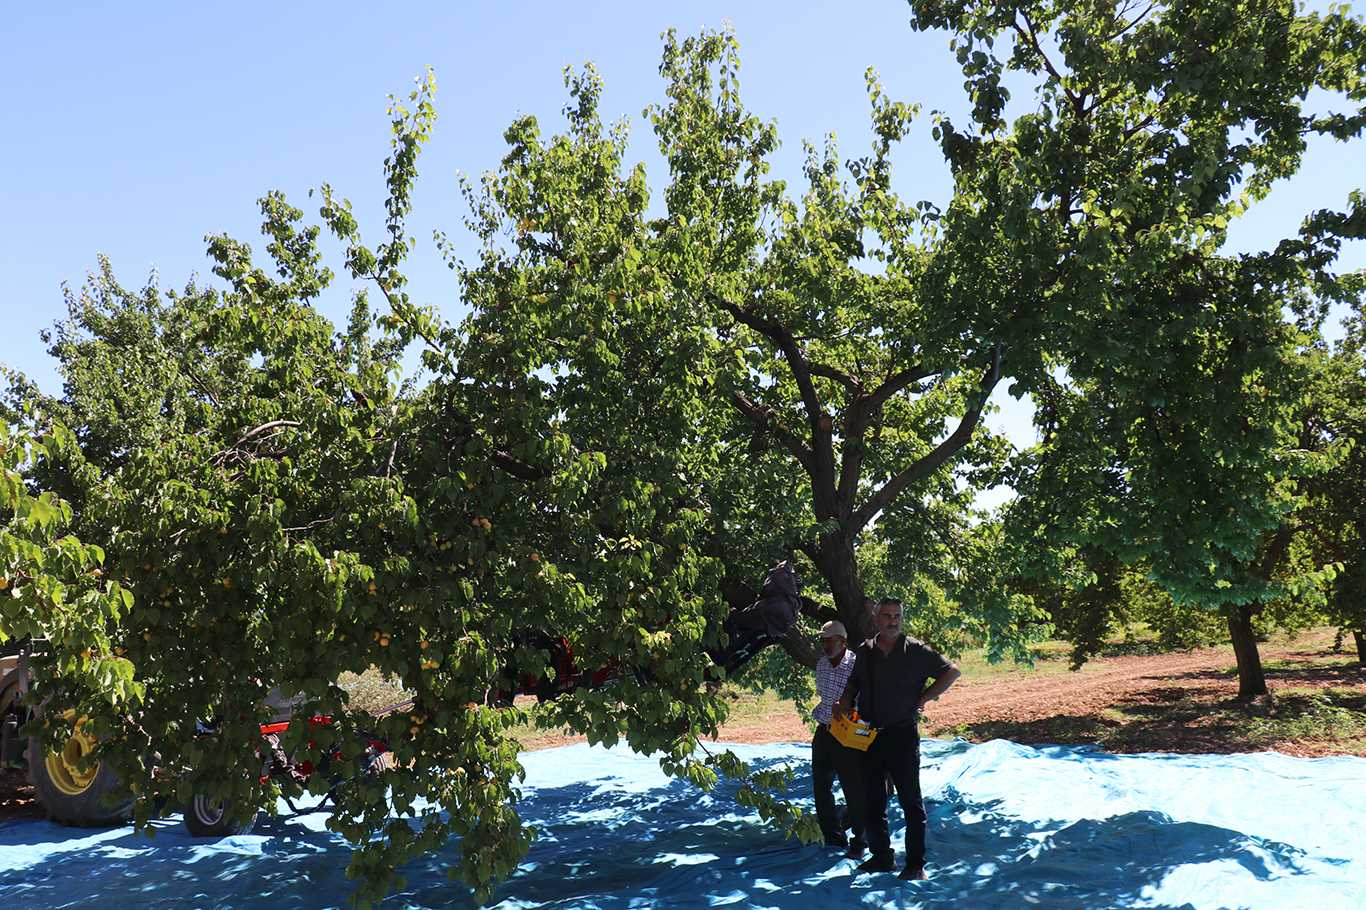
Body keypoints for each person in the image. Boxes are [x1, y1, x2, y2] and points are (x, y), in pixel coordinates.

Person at [833, 597, 961, 881]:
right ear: (876, 620)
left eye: (897, 616)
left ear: (902, 620)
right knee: (872, 801)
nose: (893, 621)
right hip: (869, 736)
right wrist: (845, 700)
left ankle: (915, 864)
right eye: (887, 616)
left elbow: (952, 672)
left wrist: (923, 698)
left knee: (910, 801)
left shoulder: (916, 650)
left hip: (902, 735)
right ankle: (882, 857)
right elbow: (853, 683)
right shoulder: (865, 651)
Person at [809, 620, 865, 855]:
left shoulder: (857, 666)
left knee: (854, 789)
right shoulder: (822, 664)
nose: (825, 644)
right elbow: (822, 696)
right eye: (823, 640)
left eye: (829, 640)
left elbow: (866, 702)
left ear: (843, 641)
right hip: (824, 730)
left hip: (848, 734)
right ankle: (833, 836)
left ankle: (860, 841)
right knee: (821, 787)